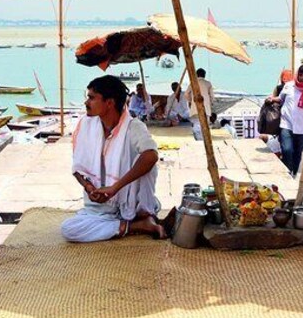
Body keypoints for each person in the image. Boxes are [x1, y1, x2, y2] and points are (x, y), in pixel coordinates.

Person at [61, 75, 165, 242]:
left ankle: (137, 217)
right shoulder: (85, 125)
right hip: (100, 207)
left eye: (92, 98)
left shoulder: (133, 126)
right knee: (69, 230)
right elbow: (78, 167)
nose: (86, 103)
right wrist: (89, 187)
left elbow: (151, 156)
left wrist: (114, 188)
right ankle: (136, 226)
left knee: (146, 160)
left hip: (128, 201)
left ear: (109, 103)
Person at [270, 64, 303, 175]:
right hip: (286, 124)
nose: (302, 78)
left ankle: (294, 173)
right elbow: (280, 99)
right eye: (300, 75)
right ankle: (287, 173)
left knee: (298, 153)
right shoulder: (289, 86)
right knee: (287, 150)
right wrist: (271, 100)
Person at [186, 68, 216, 140]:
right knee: (205, 125)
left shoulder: (193, 82)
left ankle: (199, 140)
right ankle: (203, 140)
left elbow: (186, 94)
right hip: (206, 108)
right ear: (204, 75)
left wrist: (190, 101)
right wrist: (210, 103)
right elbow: (212, 96)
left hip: (195, 107)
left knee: (196, 124)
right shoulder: (208, 83)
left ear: (196, 75)